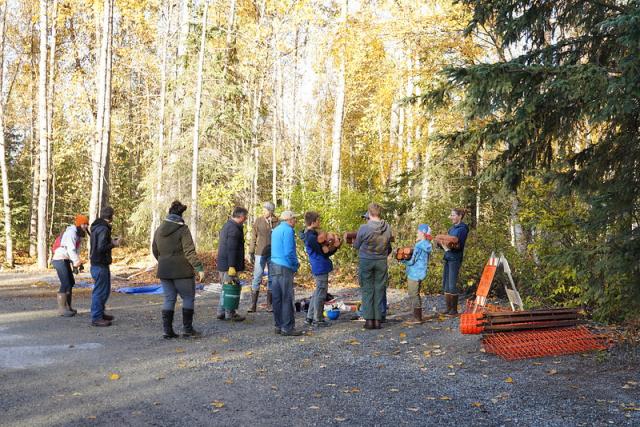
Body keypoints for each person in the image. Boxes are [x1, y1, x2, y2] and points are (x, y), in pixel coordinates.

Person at [152, 201, 206, 339]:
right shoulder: (183, 229)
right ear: (181, 215)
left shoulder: (158, 230)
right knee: (188, 298)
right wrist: (199, 267)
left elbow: (155, 250)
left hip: (164, 270)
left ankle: (167, 331)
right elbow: (189, 252)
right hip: (182, 271)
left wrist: (163, 261)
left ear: (169, 213)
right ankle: (187, 330)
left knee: (169, 299)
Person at [354, 203, 392, 330]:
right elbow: (388, 246)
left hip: (366, 261)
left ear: (369, 214)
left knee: (367, 289)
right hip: (381, 261)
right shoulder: (387, 227)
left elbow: (357, 245)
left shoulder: (364, 228)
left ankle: (369, 320)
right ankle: (378, 319)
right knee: (379, 290)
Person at [301, 211, 338, 328]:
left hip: (319, 265)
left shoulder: (311, 234)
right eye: (318, 220)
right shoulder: (311, 237)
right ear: (313, 222)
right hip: (319, 265)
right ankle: (318, 319)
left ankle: (310, 317)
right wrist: (335, 246)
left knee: (317, 292)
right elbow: (324, 253)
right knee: (321, 293)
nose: (320, 222)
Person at [270, 210, 303, 336]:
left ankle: (278, 325)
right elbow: (289, 251)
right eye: (294, 218)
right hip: (284, 266)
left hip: (274, 264)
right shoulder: (288, 230)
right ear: (289, 219)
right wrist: (295, 265)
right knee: (287, 298)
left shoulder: (276, 230)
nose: (295, 221)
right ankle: (288, 327)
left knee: (277, 298)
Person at [51, 214, 90, 317]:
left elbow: (76, 250)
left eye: (87, 224)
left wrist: (76, 264)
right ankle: (62, 309)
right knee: (65, 283)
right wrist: (76, 261)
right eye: (84, 224)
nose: (86, 226)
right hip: (59, 259)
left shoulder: (78, 234)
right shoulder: (71, 232)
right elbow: (70, 249)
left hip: (66, 259)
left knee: (71, 282)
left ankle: (68, 307)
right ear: (79, 224)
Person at [89, 206, 121, 327]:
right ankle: (96, 317)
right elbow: (101, 247)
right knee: (100, 291)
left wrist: (110, 242)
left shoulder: (97, 227)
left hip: (98, 263)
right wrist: (113, 244)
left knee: (104, 290)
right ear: (111, 216)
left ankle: (100, 313)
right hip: (100, 263)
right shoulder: (103, 228)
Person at [216, 207, 248, 322]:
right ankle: (230, 313)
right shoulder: (234, 229)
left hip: (224, 263)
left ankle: (221, 311)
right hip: (229, 265)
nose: (246, 219)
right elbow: (232, 249)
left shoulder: (228, 225)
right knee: (230, 288)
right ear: (240, 216)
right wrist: (232, 266)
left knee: (225, 288)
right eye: (245, 216)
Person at [248, 202, 277, 313]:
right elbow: (253, 237)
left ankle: (270, 304)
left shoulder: (277, 222)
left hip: (273, 253)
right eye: (263, 210)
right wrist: (251, 251)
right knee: (257, 277)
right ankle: (253, 305)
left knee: (272, 278)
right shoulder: (258, 221)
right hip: (260, 252)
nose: (263, 212)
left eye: (265, 210)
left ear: (271, 211)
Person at [401, 224, 433, 323]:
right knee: (416, 293)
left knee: (413, 294)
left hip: (414, 273)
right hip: (421, 272)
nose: (417, 233)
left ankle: (417, 318)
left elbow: (412, 261)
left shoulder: (418, 245)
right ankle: (417, 316)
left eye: (418, 231)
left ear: (423, 233)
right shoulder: (427, 244)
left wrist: (403, 260)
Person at [441, 208, 469, 315]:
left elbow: (458, 246)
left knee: (452, 284)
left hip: (455, 258)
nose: (451, 217)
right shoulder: (451, 229)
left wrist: (449, 246)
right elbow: (446, 241)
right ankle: (448, 308)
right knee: (446, 284)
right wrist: (441, 244)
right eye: (451, 215)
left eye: (453, 215)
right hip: (447, 257)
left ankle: (454, 310)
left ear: (459, 216)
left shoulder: (462, 229)